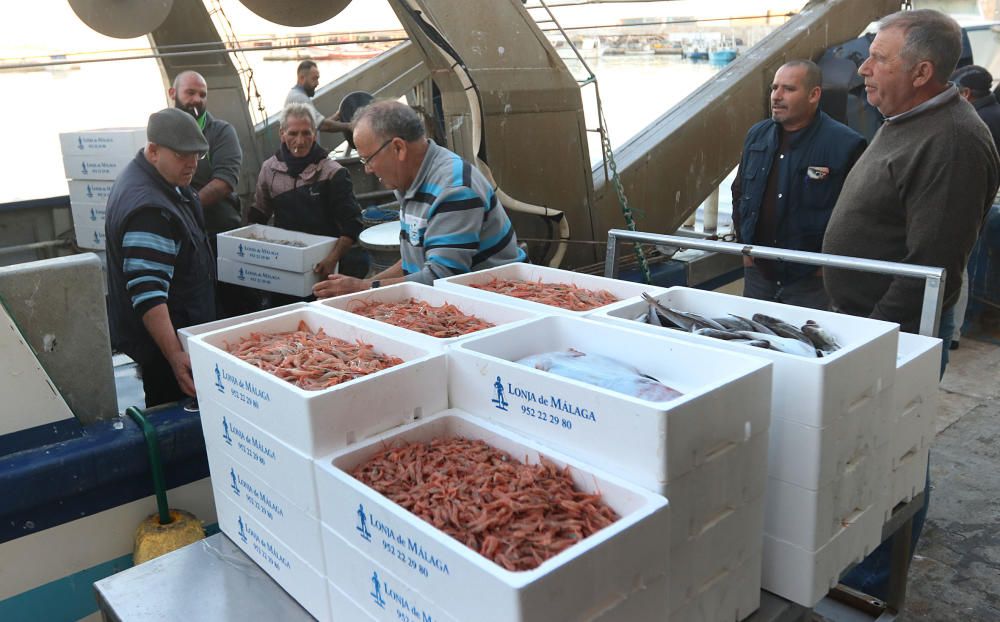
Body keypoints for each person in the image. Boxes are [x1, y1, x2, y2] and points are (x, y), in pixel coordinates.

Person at [822, 9, 1000, 601]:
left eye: (879, 59)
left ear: (922, 71)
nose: (863, 69)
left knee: (894, 459)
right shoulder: (904, 118)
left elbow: (934, 270)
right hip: (862, 326)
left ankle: (874, 590)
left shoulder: (952, 141)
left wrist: (869, 343)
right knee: (864, 452)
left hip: (893, 337)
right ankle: (854, 566)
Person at [312, 100, 526, 298]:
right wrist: (363, 286)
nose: (367, 170)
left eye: (367, 159)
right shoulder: (410, 181)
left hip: (499, 300)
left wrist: (362, 289)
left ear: (398, 148)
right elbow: (416, 256)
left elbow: (441, 279)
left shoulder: (453, 189)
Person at [731, 60, 866, 309]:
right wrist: (745, 248)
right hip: (759, 273)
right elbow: (739, 193)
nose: (777, 97)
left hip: (811, 283)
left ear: (814, 94)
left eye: (789, 89)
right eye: (774, 88)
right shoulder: (756, 136)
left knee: (807, 345)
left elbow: (858, 217)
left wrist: (826, 266)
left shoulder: (845, 145)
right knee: (753, 341)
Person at [105, 108, 216, 407]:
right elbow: (148, 291)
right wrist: (175, 356)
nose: (192, 163)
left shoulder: (158, 180)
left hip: (181, 334)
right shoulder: (150, 211)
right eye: (183, 155)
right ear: (153, 151)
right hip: (168, 350)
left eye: (197, 154)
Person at [250, 102, 368, 301]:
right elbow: (259, 214)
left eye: (306, 133)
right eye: (293, 133)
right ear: (282, 134)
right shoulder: (269, 169)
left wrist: (331, 259)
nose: (300, 140)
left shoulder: (333, 172)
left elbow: (352, 225)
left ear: (315, 133)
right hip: (286, 263)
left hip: (325, 265)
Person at [169, 70, 255, 317]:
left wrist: (186, 207)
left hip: (218, 234)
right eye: (190, 93)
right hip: (182, 238)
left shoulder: (221, 132)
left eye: (202, 94)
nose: (196, 99)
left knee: (231, 304)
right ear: (173, 94)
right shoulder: (164, 133)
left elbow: (225, 181)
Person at [948, 65, 1000, 348]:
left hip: (971, 204)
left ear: (966, 93)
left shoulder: (976, 121)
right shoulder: (991, 114)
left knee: (960, 267)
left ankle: (955, 331)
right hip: (982, 202)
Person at [285, 60, 353, 135]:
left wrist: (337, 116)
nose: (317, 83)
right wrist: (350, 126)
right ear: (302, 78)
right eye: (314, 79)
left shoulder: (296, 94)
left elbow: (316, 125)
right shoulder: (299, 98)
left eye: (317, 79)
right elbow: (323, 126)